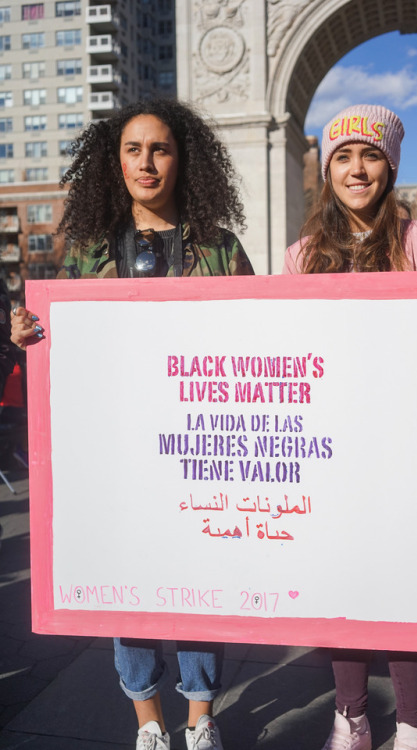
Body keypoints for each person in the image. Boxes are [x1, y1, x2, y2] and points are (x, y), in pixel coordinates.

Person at [10, 97, 254, 750]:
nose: (147, 162)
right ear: (114, 161)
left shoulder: (222, 249)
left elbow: (261, 334)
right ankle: (149, 725)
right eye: (133, 149)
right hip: (121, 456)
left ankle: (202, 720)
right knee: (132, 588)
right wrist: (31, 333)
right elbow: (72, 351)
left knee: (202, 584)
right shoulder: (93, 252)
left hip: (201, 445)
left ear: (184, 159)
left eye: (161, 149)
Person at [283, 104, 417, 750]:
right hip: (331, 451)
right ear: (328, 171)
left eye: (370, 155)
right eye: (343, 156)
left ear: (390, 167)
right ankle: (350, 716)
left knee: (409, 587)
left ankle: (411, 723)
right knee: (345, 586)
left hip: (410, 449)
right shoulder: (301, 256)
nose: (357, 168)